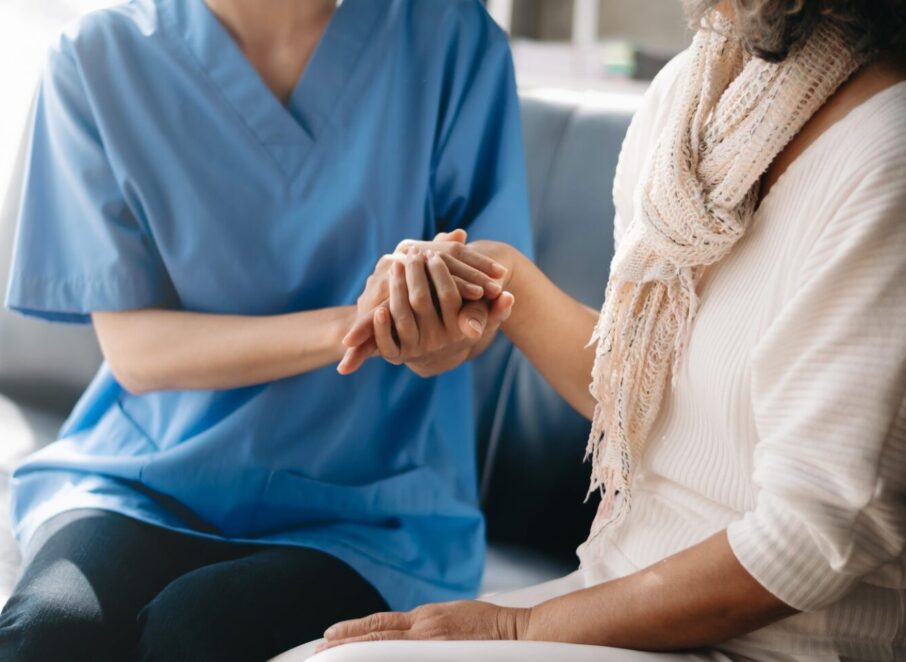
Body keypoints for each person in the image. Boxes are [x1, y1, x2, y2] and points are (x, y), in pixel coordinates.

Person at [313, 0, 906, 660]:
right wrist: (501, 281)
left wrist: (516, 627)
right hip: (620, 602)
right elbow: (656, 400)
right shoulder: (700, 87)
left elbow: (812, 539)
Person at [0, 0, 530, 660]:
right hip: (143, 478)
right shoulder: (97, 56)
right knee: (50, 631)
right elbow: (137, 353)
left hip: (369, 507)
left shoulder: (451, 40)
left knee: (195, 635)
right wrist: (357, 323)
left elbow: (481, 318)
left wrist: (431, 328)